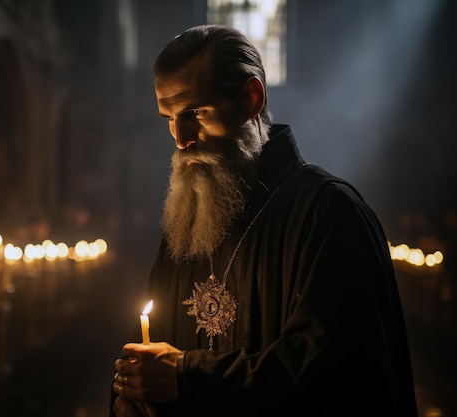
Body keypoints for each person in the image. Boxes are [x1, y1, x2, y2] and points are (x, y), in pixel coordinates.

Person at [110, 25, 418, 417]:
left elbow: (341, 373)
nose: (180, 137)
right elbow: (151, 358)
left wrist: (188, 377)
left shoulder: (329, 212)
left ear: (251, 99)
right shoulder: (186, 223)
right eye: (168, 118)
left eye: (195, 112)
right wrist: (131, 396)